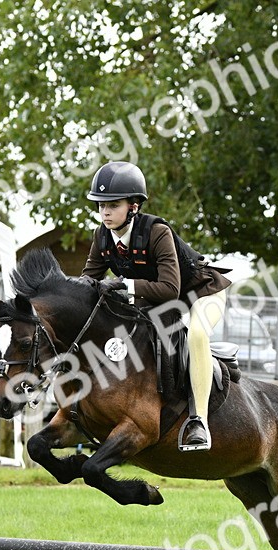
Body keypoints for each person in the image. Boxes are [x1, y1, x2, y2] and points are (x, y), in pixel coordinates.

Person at [82, 161, 231, 452]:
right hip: (160, 306)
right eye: (100, 206)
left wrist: (124, 285)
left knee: (197, 335)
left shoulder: (156, 231)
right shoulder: (101, 237)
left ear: (134, 206)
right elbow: (88, 282)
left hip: (201, 293)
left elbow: (169, 289)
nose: (105, 212)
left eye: (113, 205)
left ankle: (198, 421)